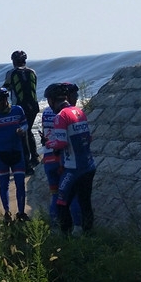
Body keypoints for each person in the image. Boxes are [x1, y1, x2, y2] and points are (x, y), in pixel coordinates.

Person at [44, 82, 95, 235]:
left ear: (52, 100)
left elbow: (61, 143)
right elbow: (88, 137)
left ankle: (65, 238)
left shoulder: (60, 116)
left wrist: (48, 142)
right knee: (85, 202)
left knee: (61, 202)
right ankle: (87, 234)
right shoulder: (79, 112)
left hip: (73, 169)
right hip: (89, 165)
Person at [40, 83, 82, 228]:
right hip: (62, 159)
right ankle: (77, 227)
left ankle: (55, 228)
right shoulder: (67, 113)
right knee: (74, 194)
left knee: (55, 195)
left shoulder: (46, 112)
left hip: (48, 158)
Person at [0, 86, 29, 220]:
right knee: (4, 184)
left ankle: (21, 213)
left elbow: (25, 124)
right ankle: (7, 212)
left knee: (20, 183)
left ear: (5, 99)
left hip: (17, 152)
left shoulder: (18, 110)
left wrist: (22, 130)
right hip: (1, 154)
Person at [4, 51, 40, 170]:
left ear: (13, 61)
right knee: (28, 131)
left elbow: (6, 88)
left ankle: (26, 164)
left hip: (19, 107)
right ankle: (35, 158)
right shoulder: (32, 72)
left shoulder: (11, 73)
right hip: (34, 106)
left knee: (22, 134)